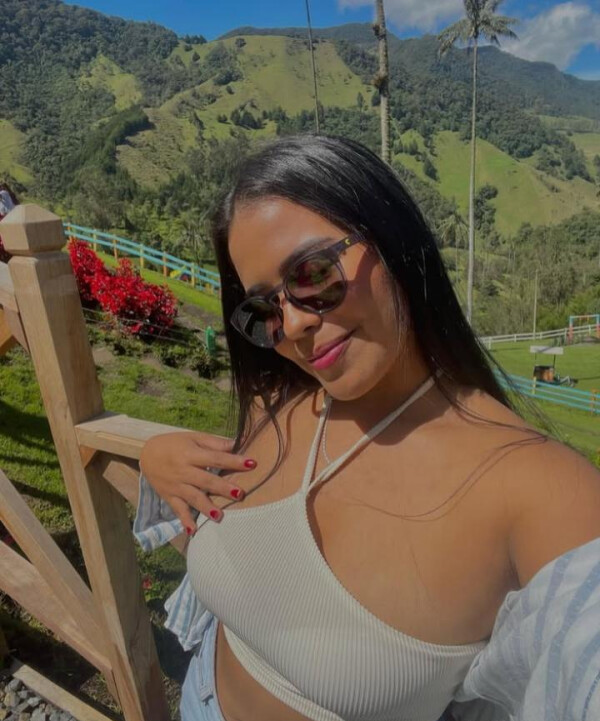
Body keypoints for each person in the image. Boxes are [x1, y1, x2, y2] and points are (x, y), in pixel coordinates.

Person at [135, 134, 600, 721]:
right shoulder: (280, 403)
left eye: (313, 273)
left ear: (392, 239)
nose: (294, 325)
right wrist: (153, 456)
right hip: (200, 697)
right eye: (264, 309)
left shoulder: (539, 488)